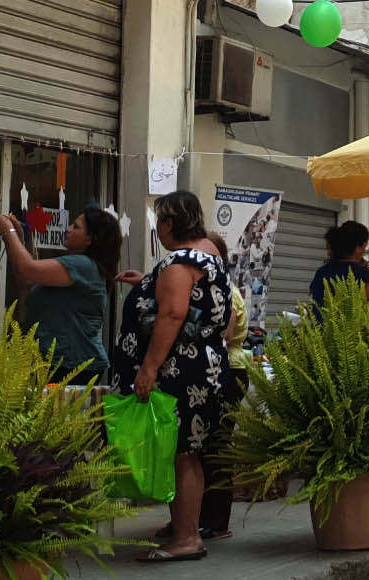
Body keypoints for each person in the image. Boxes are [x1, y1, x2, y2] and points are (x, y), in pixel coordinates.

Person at [108, 191, 231, 563]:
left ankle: (187, 538)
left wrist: (148, 368)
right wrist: (148, 282)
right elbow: (192, 298)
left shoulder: (179, 261)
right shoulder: (208, 251)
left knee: (181, 453)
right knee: (185, 452)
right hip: (203, 367)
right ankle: (184, 528)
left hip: (181, 372)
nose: (158, 228)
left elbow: (173, 314)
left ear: (168, 223)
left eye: (159, 221)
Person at [0, 206, 119, 383]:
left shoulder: (83, 265)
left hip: (72, 365)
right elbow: (27, 281)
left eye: (76, 227)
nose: (68, 229)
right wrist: (17, 238)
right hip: (57, 362)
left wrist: (8, 231)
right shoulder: (79, 265)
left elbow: (28, 270)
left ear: (91, 239)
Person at [198, 232, 250, 542]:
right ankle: (194, 517)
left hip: (228, 371)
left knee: (215, 445)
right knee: (199, 448)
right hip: (214, 371)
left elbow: (225, 335)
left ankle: (216, 521)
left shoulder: (226, 292)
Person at [309, 221, 369, 316]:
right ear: (357, 248)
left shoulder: (321, 272)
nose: (364, 251)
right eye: (364, 246)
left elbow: (315, 309)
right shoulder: (363, 273)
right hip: (354, 330)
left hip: (322, 330)